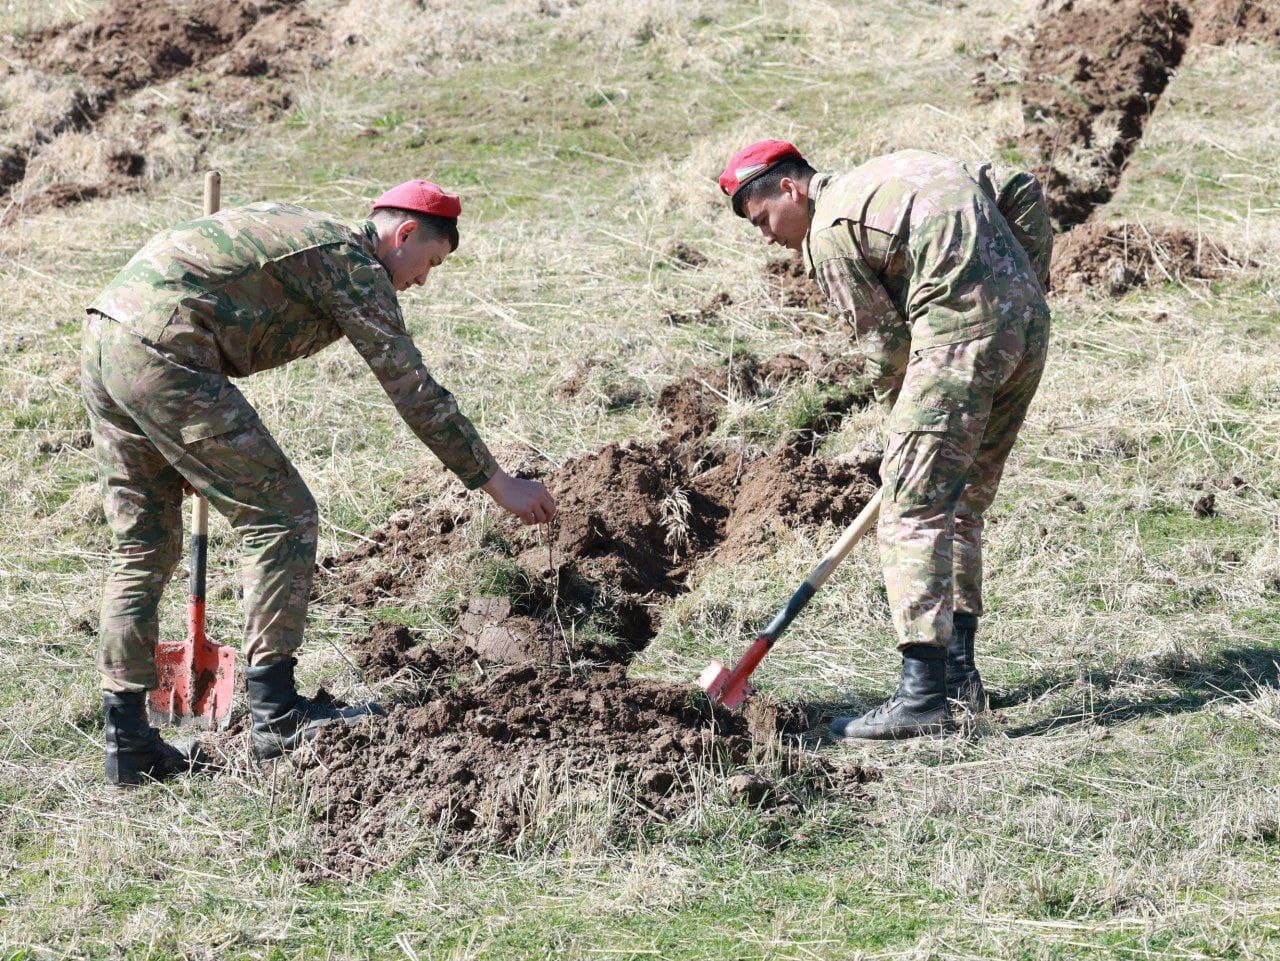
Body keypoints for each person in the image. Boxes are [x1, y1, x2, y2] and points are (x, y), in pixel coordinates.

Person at [82, 179, 555, 785]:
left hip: (104, 338)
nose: (423, 281)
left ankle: (128, 745)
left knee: (142, 547)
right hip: (166, 352)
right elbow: (412, 389)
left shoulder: (308, 230)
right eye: (429, 262)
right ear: (403, 234)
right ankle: (275, 713)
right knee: (282, 516)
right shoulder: (353, 265)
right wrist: (496, 482)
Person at [719, 141, 1052, 739]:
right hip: (1025, 332)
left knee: (910, 510)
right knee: (963, 505)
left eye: (762, 219)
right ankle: (957, 679)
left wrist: (905, 427)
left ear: (790, 188)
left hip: (958, 343)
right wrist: (1023, 284)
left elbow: (883, 346)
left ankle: (923, 697)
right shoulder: (894, 169)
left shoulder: (828, 231)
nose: (767, 237)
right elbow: (1019, 187)